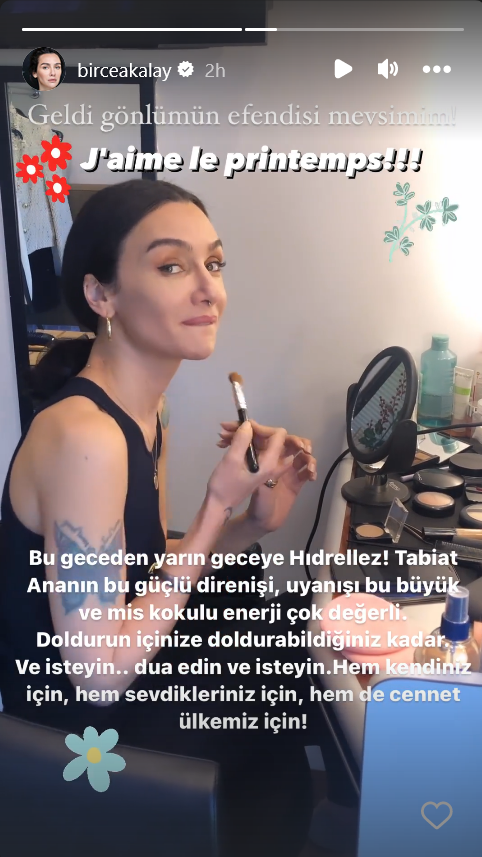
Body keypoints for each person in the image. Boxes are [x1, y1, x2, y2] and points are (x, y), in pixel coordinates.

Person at [0, 180, 336, 855]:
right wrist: (214, 506)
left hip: (126, 660)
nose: (209, 289)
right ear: (101, 295)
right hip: (80, 727)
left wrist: (251, 523)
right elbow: (97, 675)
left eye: (214, 263)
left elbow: (151, 569)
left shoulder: (149, 412)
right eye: (173, 266)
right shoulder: (86, 437)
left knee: (287, 630)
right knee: (281, 676)